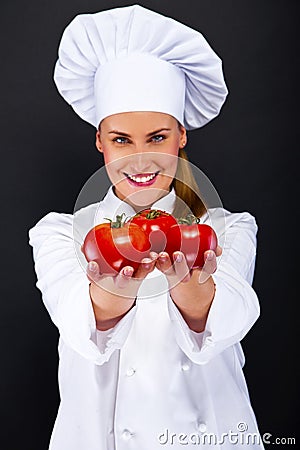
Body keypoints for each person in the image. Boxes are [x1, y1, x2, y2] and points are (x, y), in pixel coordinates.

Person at [28, 5, 264, 450]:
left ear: (181, 136)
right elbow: (80, 330)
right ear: (100, 140)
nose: (140, 159)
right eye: (121, 139)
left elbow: (227, 324)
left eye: (157, 137)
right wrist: (110, 292)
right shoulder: (60, 234)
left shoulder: (226, 230)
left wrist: (188, 287)